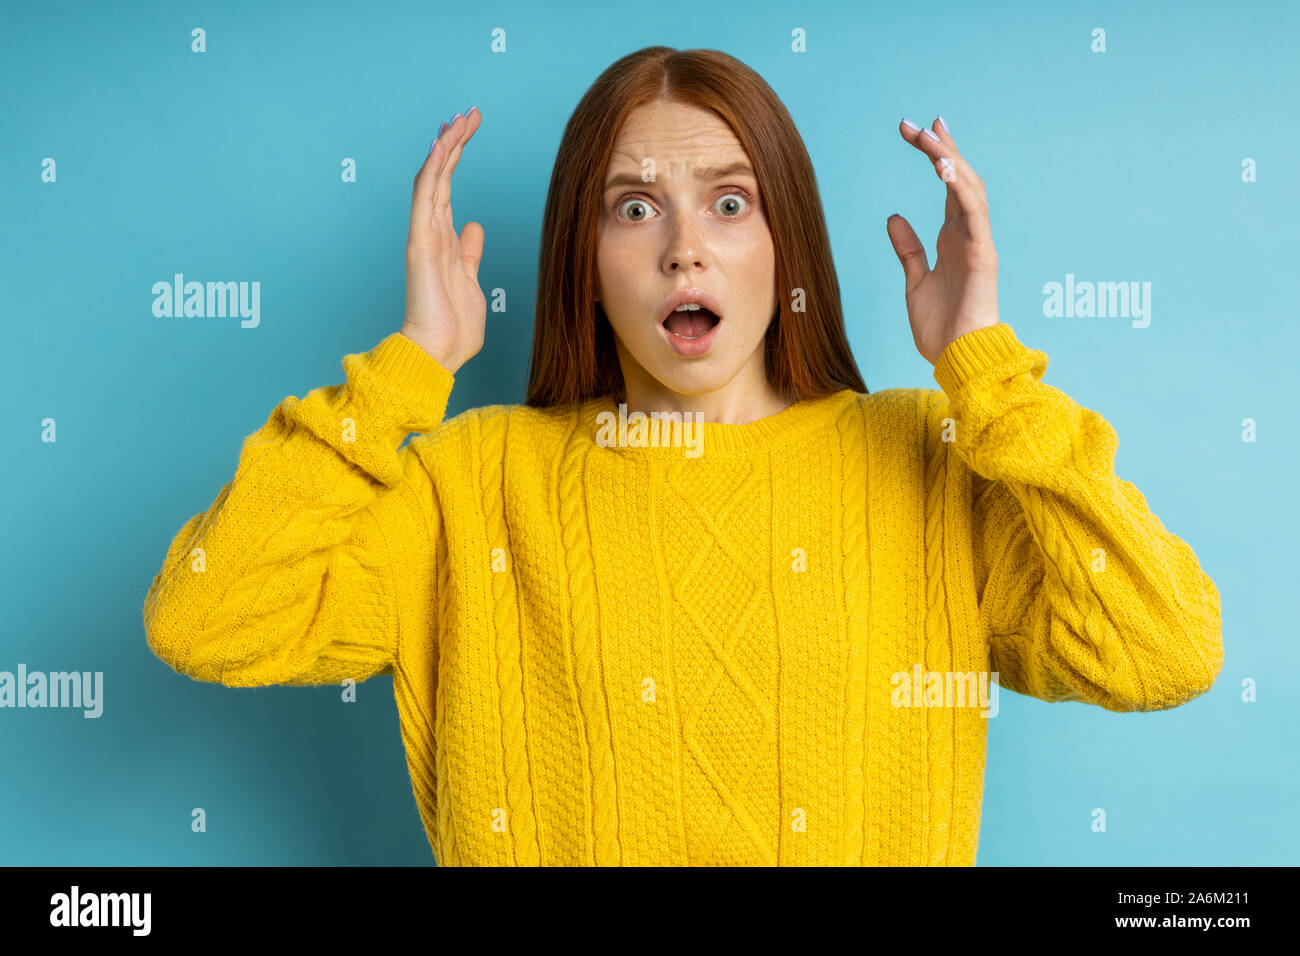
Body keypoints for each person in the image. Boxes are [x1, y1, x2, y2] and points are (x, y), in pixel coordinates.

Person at [142, 46, 1223, 866]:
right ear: (587, 253)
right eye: (633, 206)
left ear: (783, 241)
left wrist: (988, 373)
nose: (683, 247)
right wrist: (405, 371)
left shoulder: (927, 461)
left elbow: (1164, 647)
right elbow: (208, 612)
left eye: (729, 201)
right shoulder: (469, 484)